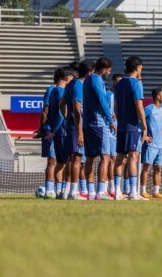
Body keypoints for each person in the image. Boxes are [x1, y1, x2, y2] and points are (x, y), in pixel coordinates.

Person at [112, 57, 148, 200]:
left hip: (121, 126)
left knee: (120, 157)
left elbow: (115, 106)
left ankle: (117, 192)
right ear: (137, 67)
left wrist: (120, 119)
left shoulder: (118, 84)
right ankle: (133, 192)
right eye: (141, 68)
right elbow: (139, 106)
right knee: (133, 156)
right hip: (132, 126)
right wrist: (144, 126)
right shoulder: (137, 83)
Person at [81, 57, 114, 200]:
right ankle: (101, 192)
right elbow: (102, 100)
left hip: (88, 123)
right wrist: (110, 119)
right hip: (98, 123)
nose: (110, 72)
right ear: (105, 68)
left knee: (90, 158)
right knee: (105, 156)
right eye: (109, 69)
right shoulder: (97, 80)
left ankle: (91, 192)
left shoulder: (88, 79)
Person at [59, 60, 92, 200]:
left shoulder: (70, 84)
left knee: (71, 160)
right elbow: (78, 109)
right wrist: (80, 131)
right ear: (89, 72)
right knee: (77, 159)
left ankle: (66, 191)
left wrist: (66, 117)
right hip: (77, 126)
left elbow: (62, 104)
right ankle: (73, 192)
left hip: (70, 125)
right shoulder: (79, 84)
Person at [35, 68, 70, 199]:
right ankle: (50, 190)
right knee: (53, 161)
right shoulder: (53, 90)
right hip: (51, 129)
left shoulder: (57, 90)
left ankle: (57, 190)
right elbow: (45, 111)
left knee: (59, 161)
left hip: (54, 129)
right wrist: (42, 128)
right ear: (66, 78)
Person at [140, 87, 162, 199]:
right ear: (158, 97)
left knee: (158, 168)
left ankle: (156, 192)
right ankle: (142, 191)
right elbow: (139, 120)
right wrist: (144, 135)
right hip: (151, 144)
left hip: (160, 144)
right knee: (146, 167)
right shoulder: (149, 109)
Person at [105, 73, 123, 197]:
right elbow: (103, 110)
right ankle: (110, 188)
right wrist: (110, 120)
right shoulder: (108, 94)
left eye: (120, 82)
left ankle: (116, 188)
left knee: (119, 160)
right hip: (108, 130)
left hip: (119, 131)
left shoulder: (122, 96)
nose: (118, 84)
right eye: (116, 81)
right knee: (110, 159)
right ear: (113, 82)